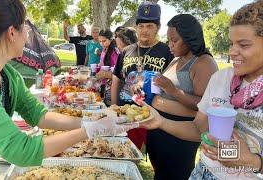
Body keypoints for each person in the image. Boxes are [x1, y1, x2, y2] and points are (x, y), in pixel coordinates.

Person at [0, 0, 137, 179]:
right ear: (12, 33)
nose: (27, 34)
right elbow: (20, 150)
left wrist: (93, 121)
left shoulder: (6, 74)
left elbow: (40, 116)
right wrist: (90, 130)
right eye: (25, 28)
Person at [140, 1, 263, 179]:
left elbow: (242, 159)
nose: (232, 52)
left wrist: (253, 162)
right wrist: (160, 122)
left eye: (243, 45)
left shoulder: (203, 64)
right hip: (203, 173)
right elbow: (200, 130)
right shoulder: (222, 79)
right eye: (231, 44)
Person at [146, 14, 218, 180]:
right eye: (168, 39)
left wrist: (172, 90)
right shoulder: (177, 59)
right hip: (159, 127)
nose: (169, 44)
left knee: (175, 174)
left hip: (180, 134)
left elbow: (204, 104)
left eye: (174, 40)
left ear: (189, 37)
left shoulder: (203, 62)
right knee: (160, 174)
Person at [111, 1, 174, 149]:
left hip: (154, 116)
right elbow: (116, 79)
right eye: (141, 26)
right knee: (124, 152)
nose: (145, 30)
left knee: (157, 157)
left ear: (158, 27)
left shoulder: (167, 52)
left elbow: (171, 86)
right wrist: (114, 107)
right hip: (127, 115)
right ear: (136, 27)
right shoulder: (127, 51)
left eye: (150, 26)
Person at [95, 29, 120, 106]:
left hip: (112, 84)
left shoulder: (115, 51)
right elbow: (102, 62)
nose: (102, 43)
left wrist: (106, 73)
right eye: (100, 41)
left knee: (109, 105)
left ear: (110, 39)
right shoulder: (104, 49)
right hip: (104, 82)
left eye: (104, 41)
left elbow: (117, 69)